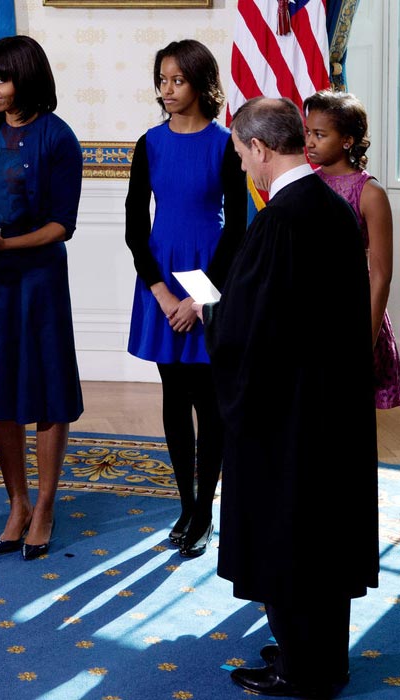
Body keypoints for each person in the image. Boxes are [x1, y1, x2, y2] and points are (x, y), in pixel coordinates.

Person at [192, 97, 378, 698]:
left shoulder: (282, 218)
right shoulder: (328, 206)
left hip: (287, 416)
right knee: (321, 540)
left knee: (290, 537)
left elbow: (250, 328)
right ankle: (318, 652)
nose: (244, 166)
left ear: (260, 149)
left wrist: (211, 313)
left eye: (243, 153)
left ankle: (303, 669)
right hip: (330, 407)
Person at [0, 35, 84, 561]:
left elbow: (61, 226)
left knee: (47, 391)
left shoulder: (58, 137)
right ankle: (17, 503)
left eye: (1, 79)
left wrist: (8, 242)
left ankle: (46, 507)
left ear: (25, 79)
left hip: (38, 283)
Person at [125, 39, 246, 558]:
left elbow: (238, 228)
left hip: (208, 281)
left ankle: (205, 509)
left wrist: (199, 300)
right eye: (162, 80)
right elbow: (134, 226)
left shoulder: (227, 143)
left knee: (208, 401)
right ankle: (185, 505)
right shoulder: (148, 143)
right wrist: (160, 292)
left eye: (177, 80)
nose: (167, 89)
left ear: (201, 82)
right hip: (159, 280)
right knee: (174, 396)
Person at [304, 89, 400, 409]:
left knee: (349, 411)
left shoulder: (369, 192)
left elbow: (382, 274)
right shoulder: (306, 185)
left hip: (352, 313)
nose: (311, 142)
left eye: (320, 134)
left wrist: (366, 339)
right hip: (310, 310)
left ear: (347, 140)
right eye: (308, 133)